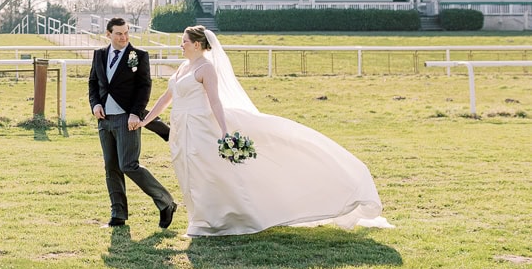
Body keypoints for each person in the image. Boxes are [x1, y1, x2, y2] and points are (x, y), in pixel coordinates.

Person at [141, 25, 392, 237]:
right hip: (182, 129)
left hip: (201, 127)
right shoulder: (183, 68)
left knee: (206, 173)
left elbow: (215, 102)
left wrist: (225, 131)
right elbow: (167, 97)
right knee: (187, 172)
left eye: (184, 42)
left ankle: (210, 222)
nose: (181, 45)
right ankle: (199, 219)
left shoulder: (205, 68)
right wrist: (146, 120)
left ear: (197, 45)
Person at [89, 17, 178, 229]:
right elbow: (93, 82)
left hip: (127, 118)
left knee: (128, 165)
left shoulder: (138, 56)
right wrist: (95, 104)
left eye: (126, 33)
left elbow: (144, 87)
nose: (124, 37)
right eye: (119, 33)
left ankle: (165, 201)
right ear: (108, 34)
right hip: (104, 119)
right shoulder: (99, 55)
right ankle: (118, 214)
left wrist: (135, 114)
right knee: (111, 167)